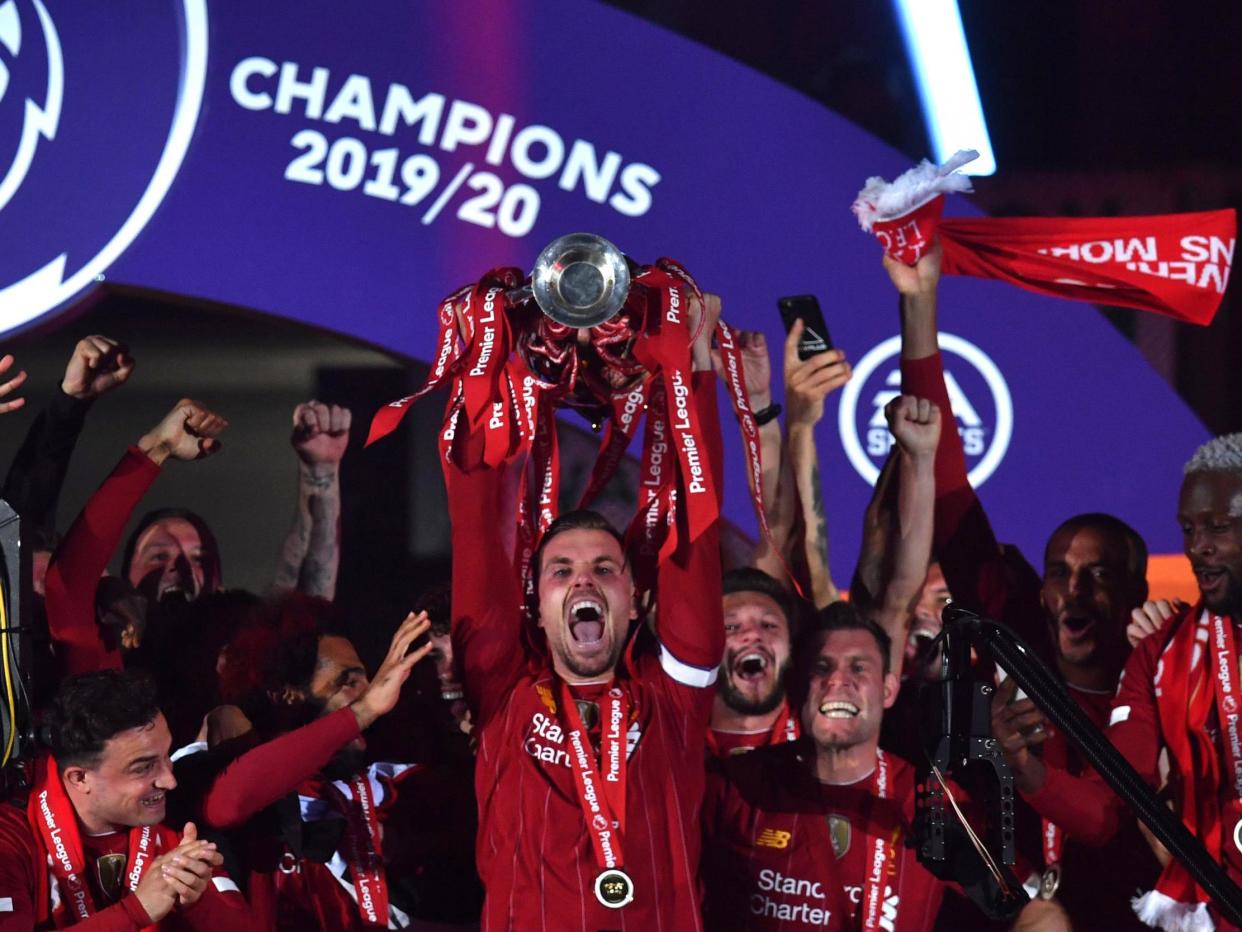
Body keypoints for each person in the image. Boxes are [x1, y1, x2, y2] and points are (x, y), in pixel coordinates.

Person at [889, 241, 1159, 927]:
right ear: (1040, 590)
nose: (1076, 592)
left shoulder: (1160, 672)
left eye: (1100, 577)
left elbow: (1102, 816)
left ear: (1133, 591)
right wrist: (919, 305)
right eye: (1063, 574)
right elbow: (949, 486)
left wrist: (1024, 764)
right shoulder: (1016, 634)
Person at [449, 294, 724, 928]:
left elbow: (697, 531)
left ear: (638, 600)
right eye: (561, 571)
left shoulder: (675, 700)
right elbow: (475, 533)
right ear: (536, 606)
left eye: (605, 570)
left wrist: (693, 368)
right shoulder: (502, 696)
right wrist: (486, 361)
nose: (584, 583)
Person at [994, 433, 1242, 930]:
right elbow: (1106, 809)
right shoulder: (1160, 654)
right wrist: (1024, 768)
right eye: (1189, 529)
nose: (1199, 548)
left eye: (1218, 527)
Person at [186, 596, 473, 929]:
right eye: (348, 682)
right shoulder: (232, 774)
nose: (376, 693)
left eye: (368, 681)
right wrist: (362, 711)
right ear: (286, 693)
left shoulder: (395, 781)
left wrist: (394, 840)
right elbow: (227, 804)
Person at [701, 603, 956, 930]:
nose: (837, 680)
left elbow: (1032, 905)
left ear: (889, 690)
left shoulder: (935, 801)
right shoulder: (736, 785)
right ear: (795, 687)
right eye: (821, 668)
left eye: (859, 668)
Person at [0, 669, 257, 929]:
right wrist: (136, 911)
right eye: (144, 767)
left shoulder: (177, 827)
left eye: (167, 755)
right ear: (80, 778)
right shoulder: (10, 839)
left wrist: (197, 901)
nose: (170, 781)